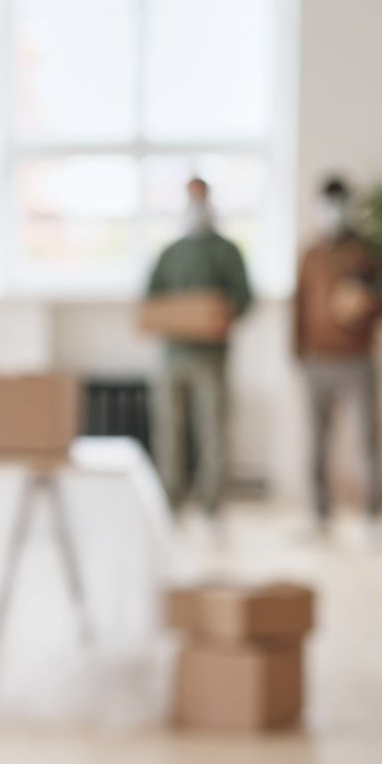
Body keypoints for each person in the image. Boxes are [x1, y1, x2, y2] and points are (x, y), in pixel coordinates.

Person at [143, 177, 253, 526]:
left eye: (201, 198)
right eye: (190, 199)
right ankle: (171, 501)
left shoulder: (226, 251)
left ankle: (212, 506)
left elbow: (244, 298)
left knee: (212, 431)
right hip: (172, 355)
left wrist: (226, 314)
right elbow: (151, 302)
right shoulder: (170, 253)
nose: (196, 205)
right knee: (169, 430)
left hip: (211, 356)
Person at [294, 175, 382, 537]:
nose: (332, 211)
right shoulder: (311, 254)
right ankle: (319, 515)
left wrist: (364, 303)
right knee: (316, 442)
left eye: (338, 202)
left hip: (357, 358)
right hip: (316, 359)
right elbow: (299, 305)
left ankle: (372, 517)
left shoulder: (367, 253)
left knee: (368, 439)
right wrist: (297, 351)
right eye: (327, 203)